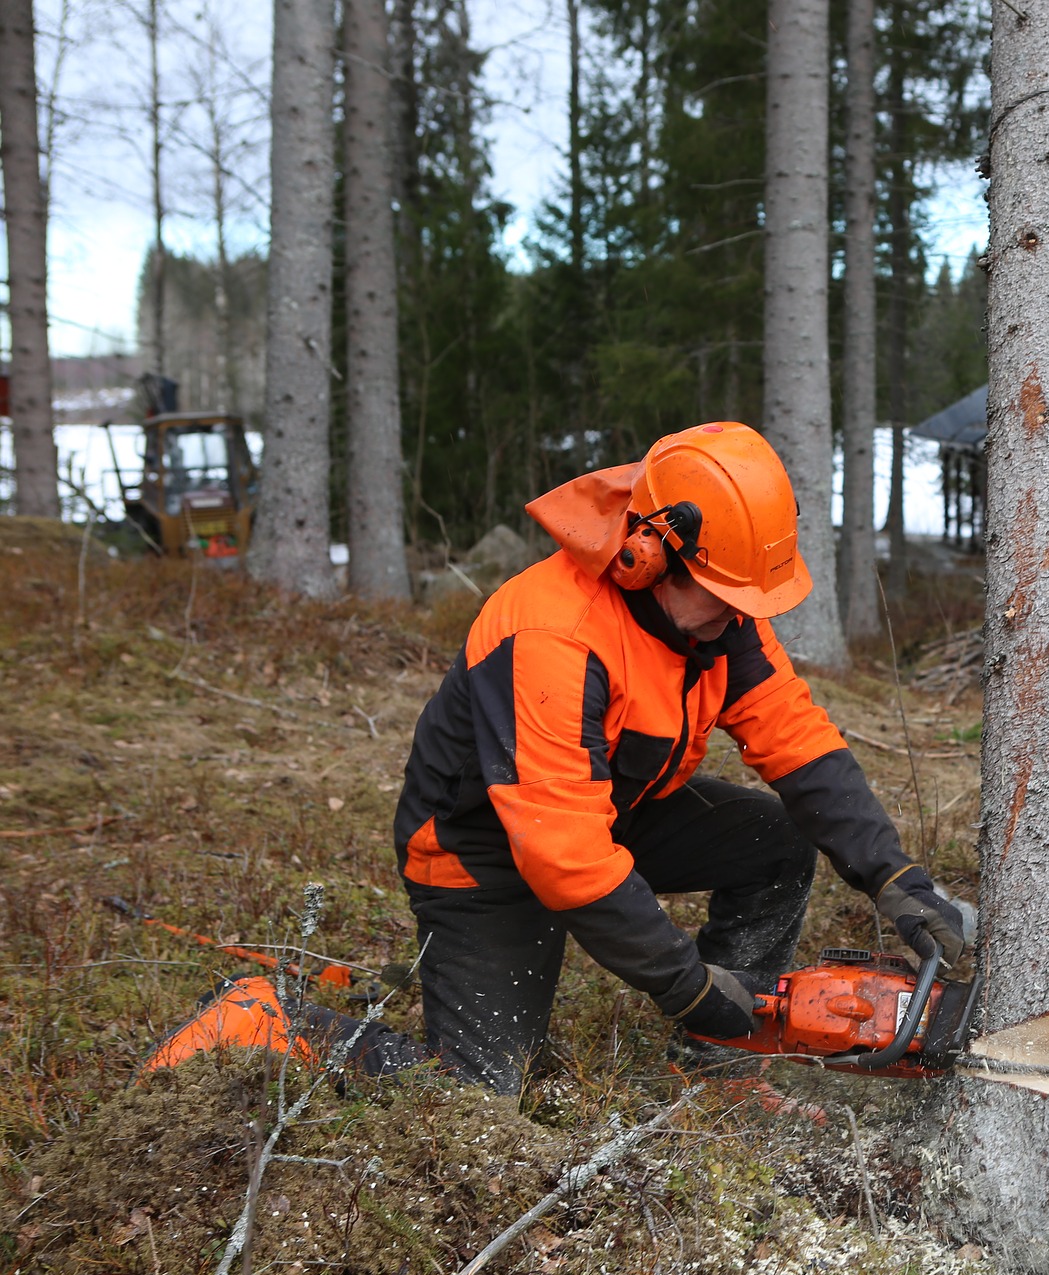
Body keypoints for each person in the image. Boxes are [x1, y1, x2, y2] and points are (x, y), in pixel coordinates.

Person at [148, 422, 966, 1092]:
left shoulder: (719, 624)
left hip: (610, 811)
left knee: (775, 837)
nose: (738, 619)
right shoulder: (554, 634)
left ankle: (723, 1057)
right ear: (652, 556)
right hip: (483, 854)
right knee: (475, 1092)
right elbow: (562, 855)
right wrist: (684, 986)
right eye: (724, 598)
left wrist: (893, 877)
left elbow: (799, 741)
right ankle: (267, 1017)